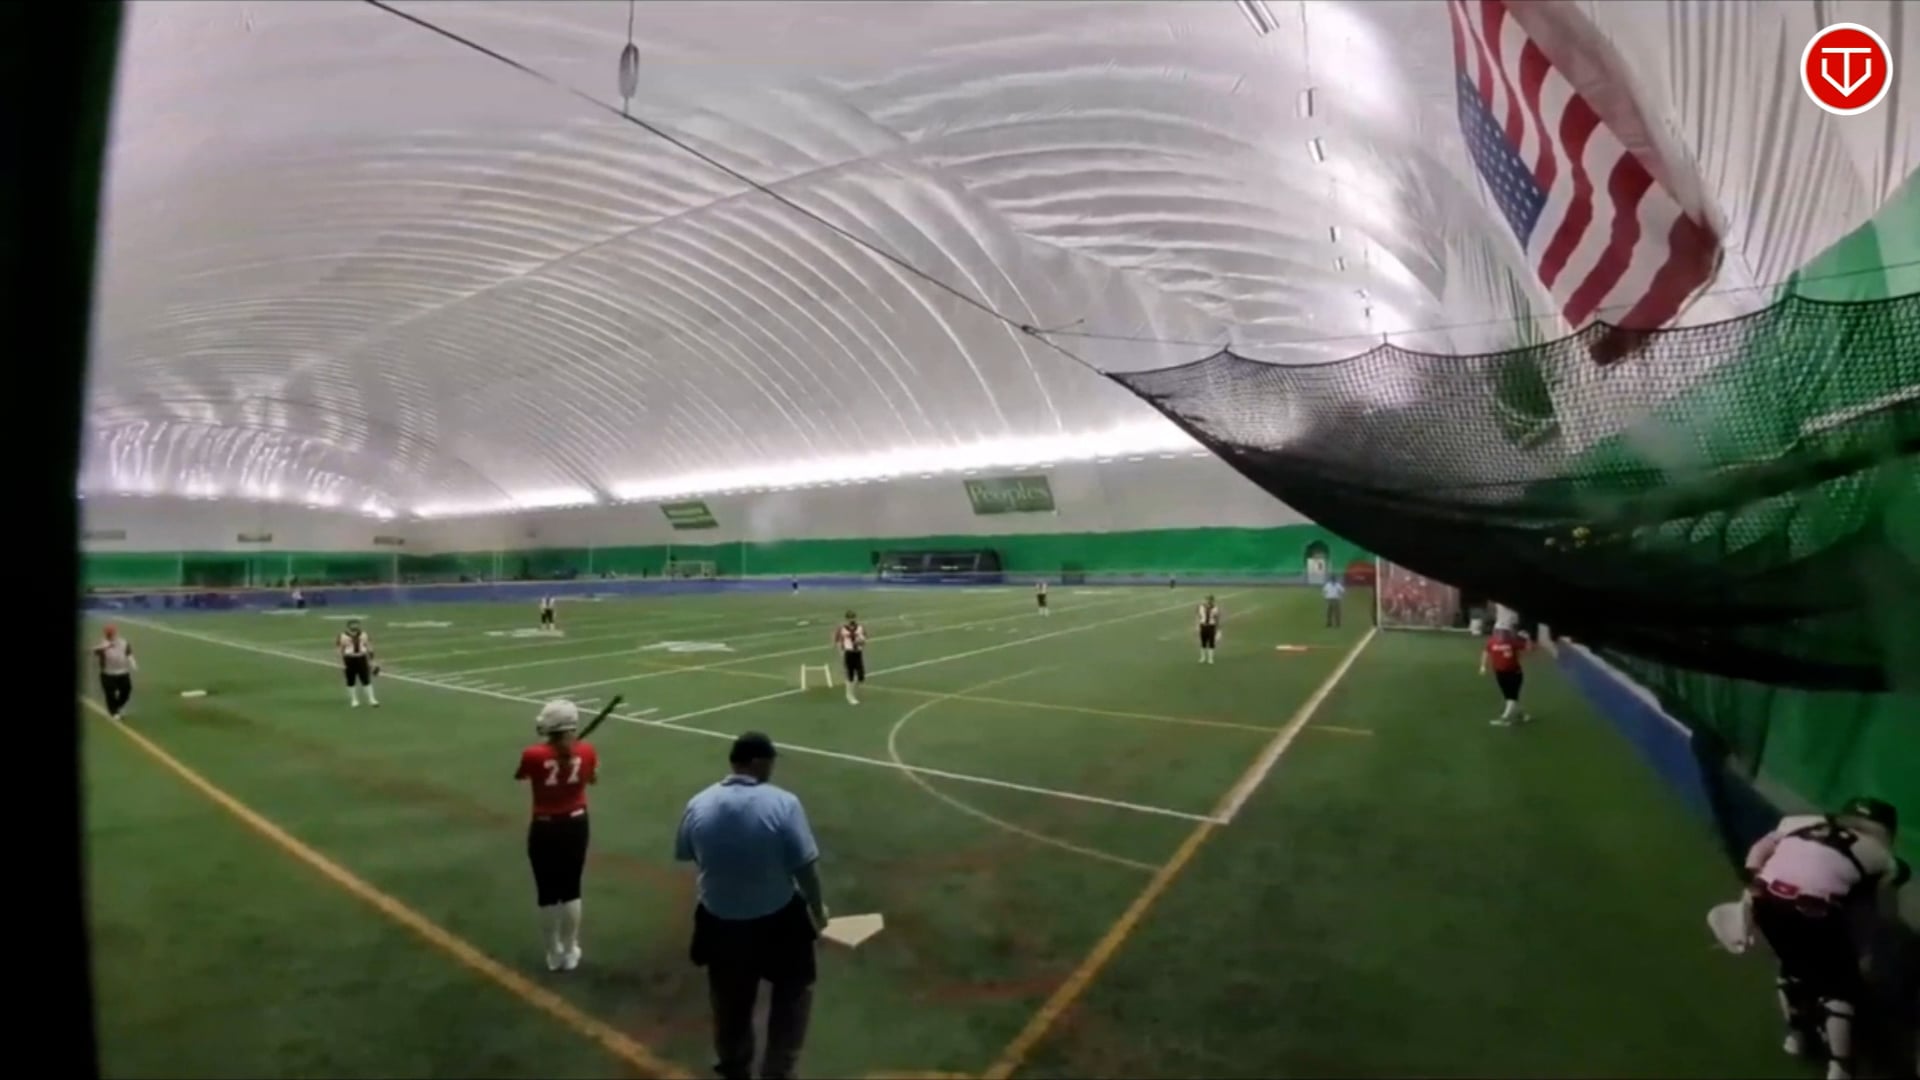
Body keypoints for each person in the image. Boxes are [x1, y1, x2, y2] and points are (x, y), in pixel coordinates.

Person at [676, 732, 828, 1080]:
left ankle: (734, 1067)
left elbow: (689, 852)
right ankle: (778, 1071)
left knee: (729, 1002)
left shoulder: (698, 803)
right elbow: (805, 866)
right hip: (777, 920)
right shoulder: (784, 803)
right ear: (759, 763)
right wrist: (818, 909)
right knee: (793, 994)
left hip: (719, 920)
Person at [1745, 798, 1907, 1080]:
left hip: (1767, 897)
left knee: (1791, 968)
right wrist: (1868, 951)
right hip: (1814, 909)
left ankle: (1796, 1037)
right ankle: (1840, 1067)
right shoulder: (1883, 857)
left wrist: (1755, 883)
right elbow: (1885, 914)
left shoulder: (1797, 823)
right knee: (1840, 985)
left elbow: (1758, 852)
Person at [515, 700, 598, 972]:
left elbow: (522, 775)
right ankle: (571, 949)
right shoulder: (586, 750)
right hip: (576, 825)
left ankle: (553, 952)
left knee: (547, 894)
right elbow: (592, 778)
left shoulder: (533, 754)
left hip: (545, 827)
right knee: (571, 890)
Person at [1478, 626, 1530, 726]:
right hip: (1500, 673)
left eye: (1504, 632)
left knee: (1512, 696)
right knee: (1508, 696)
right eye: (1500, 632)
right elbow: (1486, 652)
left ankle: (1504, 718)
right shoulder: (1492, 641)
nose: (1502, 634)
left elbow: (1528, 649)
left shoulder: (1513, 642)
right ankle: (1521, 714)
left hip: (1514, 673)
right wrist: (1483, 666)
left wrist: (1527, 639)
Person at [93, 624, 136, 720]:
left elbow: (129, 653)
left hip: (123, 672)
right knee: (110, 694)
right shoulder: (102, 644)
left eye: (112, 633)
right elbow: (94, 652)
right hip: (108, 673)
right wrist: (103, 647)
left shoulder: (123, 642)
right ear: (106, 634)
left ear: (115, 633)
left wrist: (133, 662)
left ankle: (117, 706)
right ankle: (114, 712)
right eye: (109, 633)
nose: (110, 635)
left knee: (126, 690)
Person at [337, 619, 379, 708]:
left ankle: (371, 699)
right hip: (349, 659)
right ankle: (354, 700)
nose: (355, 627)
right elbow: (340, 650)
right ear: (348, 626)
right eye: (353, 625)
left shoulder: (364, 634)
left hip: (361, 658)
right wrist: (342, 663)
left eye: (356, 625)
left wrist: (372, 661)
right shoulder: (342, 636)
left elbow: (369, 647)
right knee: (350, 680)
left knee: (366, 679)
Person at [833, 611, 866, 705]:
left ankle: (851, 691)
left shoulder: (860, 627)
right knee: (850, 675)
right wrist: (841, 652)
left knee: (861, 676)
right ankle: (850, 695)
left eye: (853, 617)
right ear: (846, 619)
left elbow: (864, 639)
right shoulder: (842, 628)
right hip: (848, 653)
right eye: (850, 618)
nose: (852, 620)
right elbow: (837, 640)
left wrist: (861, 642)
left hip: (858, 653)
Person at [1196, 595, 1222, 665]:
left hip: (1211, 626)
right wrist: (1198, 625)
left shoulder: (1215, 608)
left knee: (1211, 642)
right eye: (1207, 600)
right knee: (1203, 642)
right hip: (1203, 625)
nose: (1208, 601)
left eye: (1210, 600)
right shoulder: (1201, 607)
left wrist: (1218, 629)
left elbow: (1217, 618)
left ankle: (1210, 658)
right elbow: (1199, 616)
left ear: (1212, 601)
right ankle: (1203, 657)